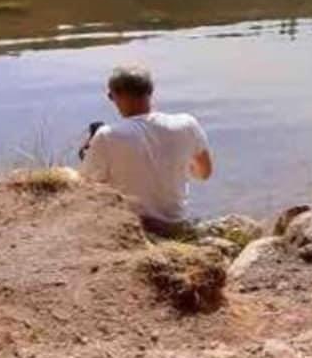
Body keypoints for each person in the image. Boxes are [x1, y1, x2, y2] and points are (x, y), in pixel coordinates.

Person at [78, 64, 213, 233]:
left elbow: (85, 187)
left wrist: (89, 153)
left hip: (136, 228)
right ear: (150, 91)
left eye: (111, 96)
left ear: (114, 96)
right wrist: (176, 164)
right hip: (178, 224)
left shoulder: (107, 135)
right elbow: (204, 174)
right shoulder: (188, 123)